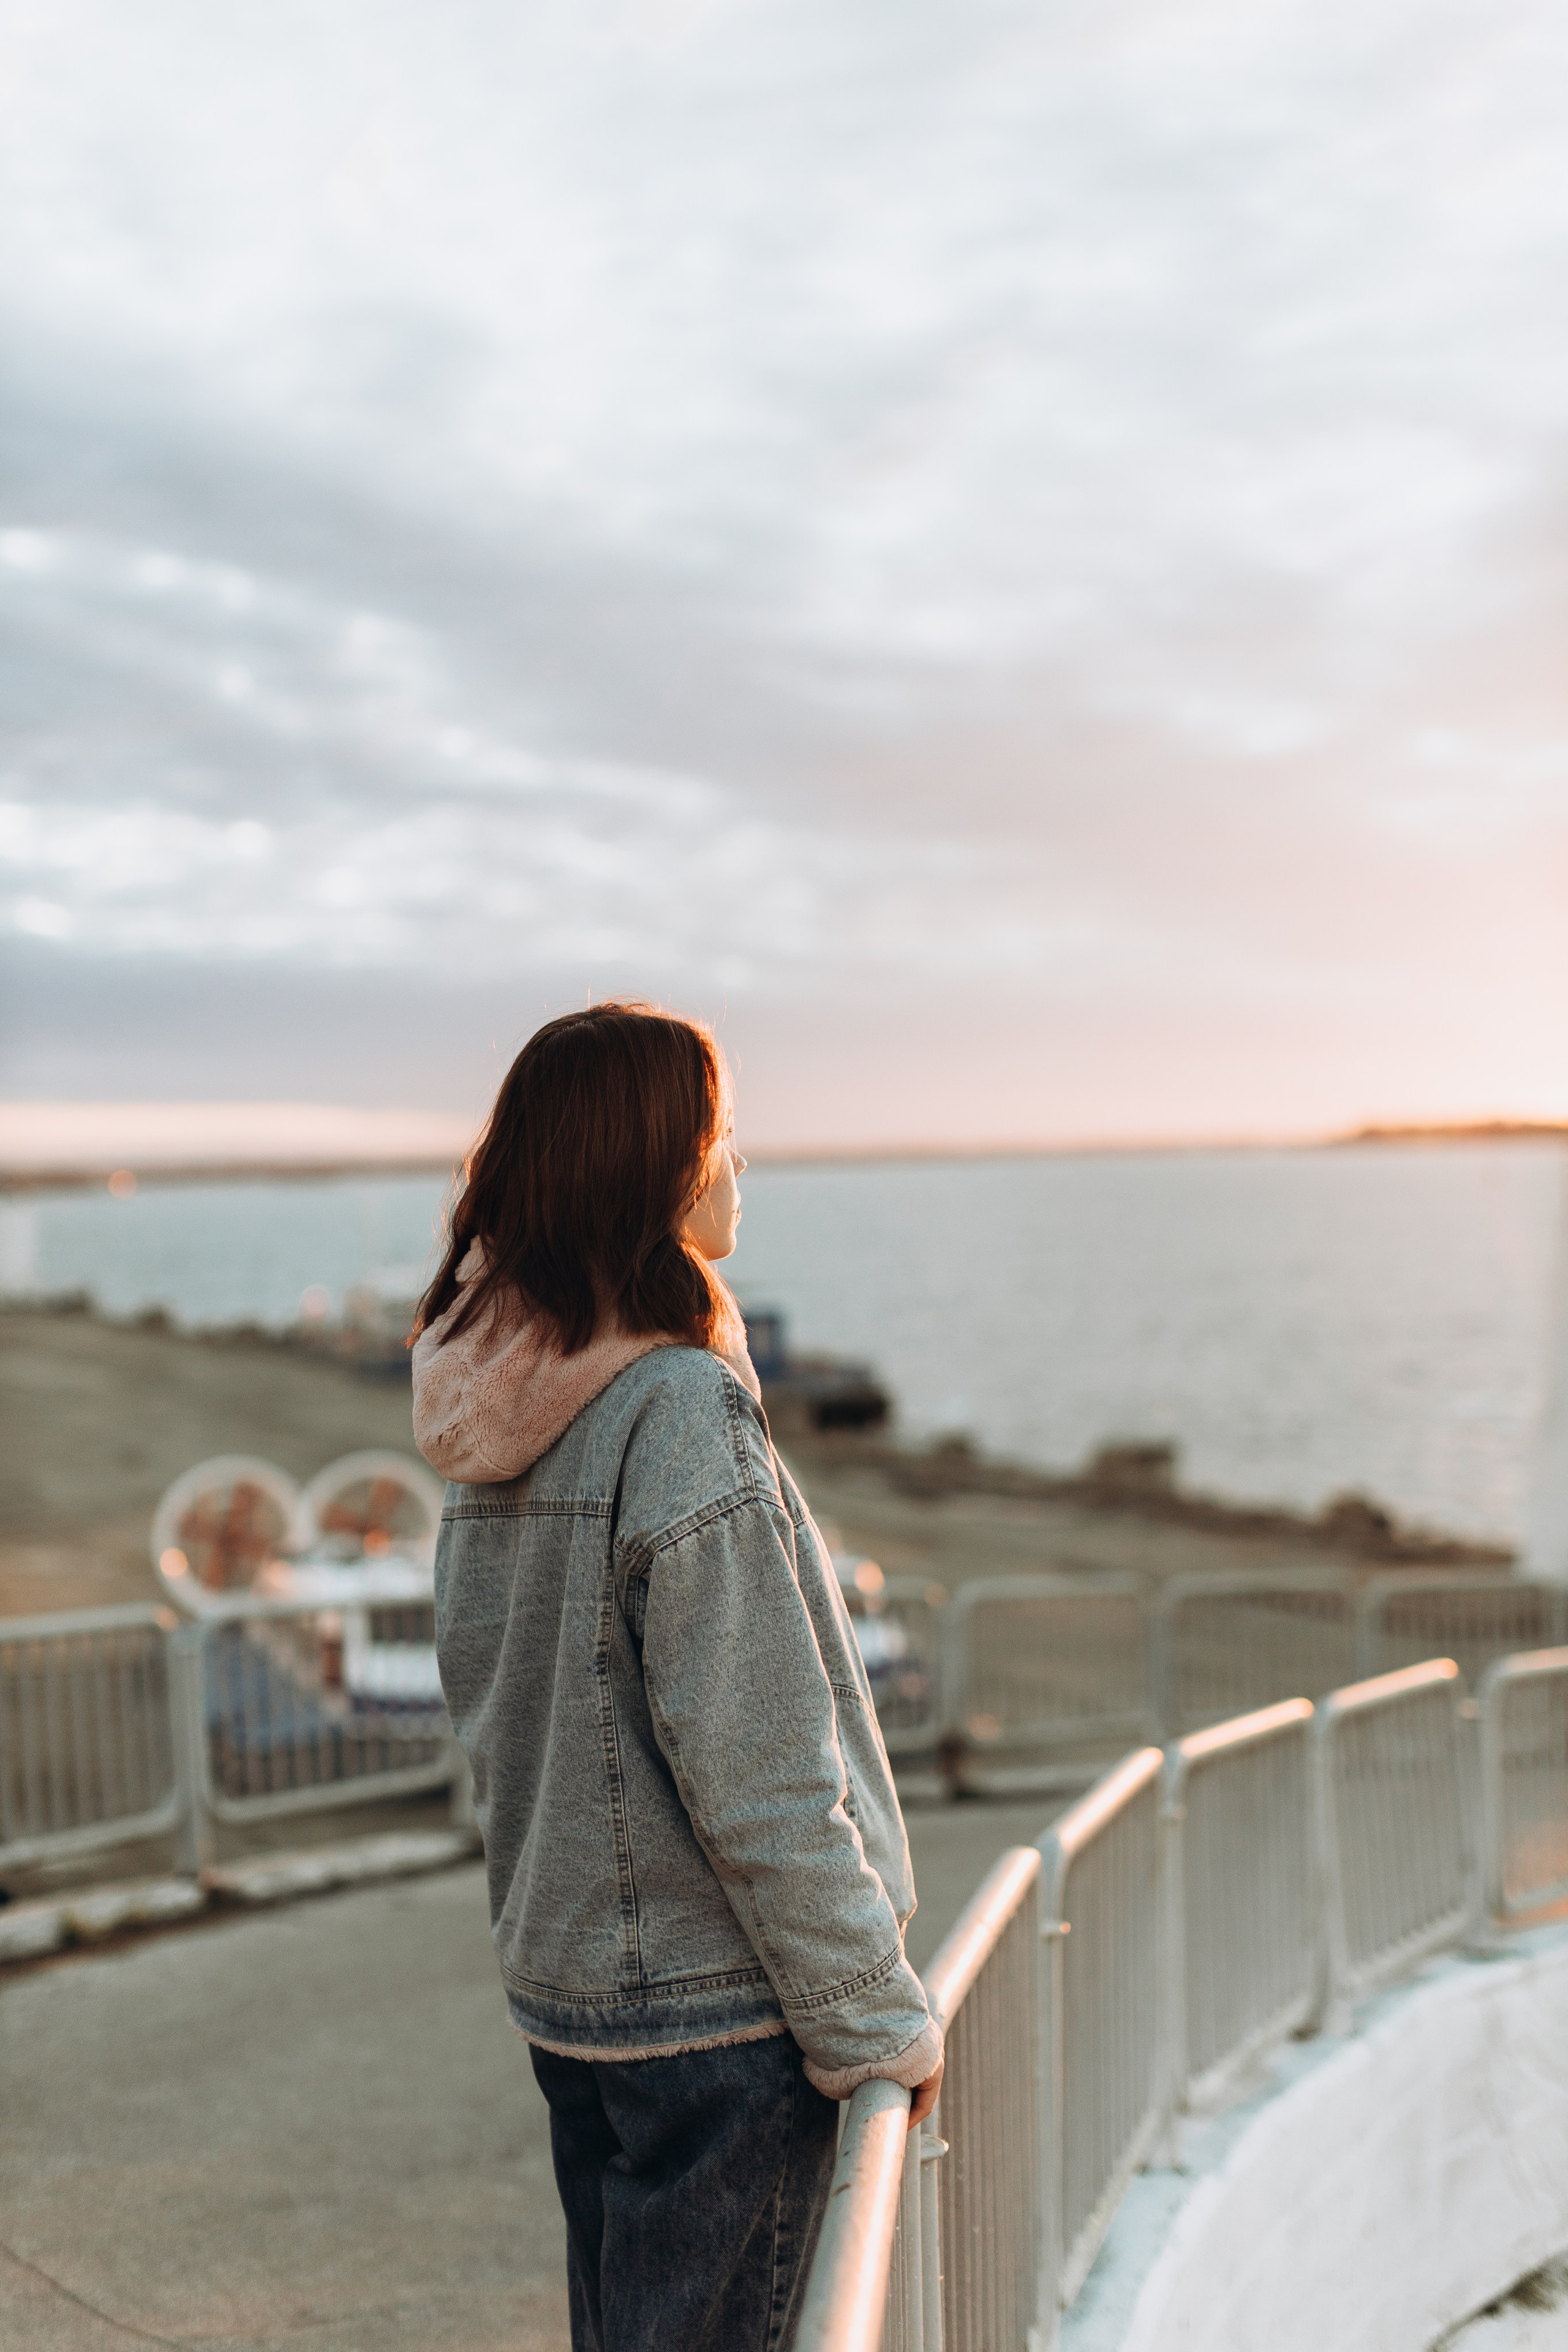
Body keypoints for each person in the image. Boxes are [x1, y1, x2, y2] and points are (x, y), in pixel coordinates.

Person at [412, 1001, 943, 2352]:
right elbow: (760, 1767)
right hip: (713, 2027)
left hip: (575, 1998)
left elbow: (492, 1699)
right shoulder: (675, 1409)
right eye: (717, 1136)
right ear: (652, 1166)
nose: (736, 1167)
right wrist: (874, 2023)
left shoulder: (508, 1407)